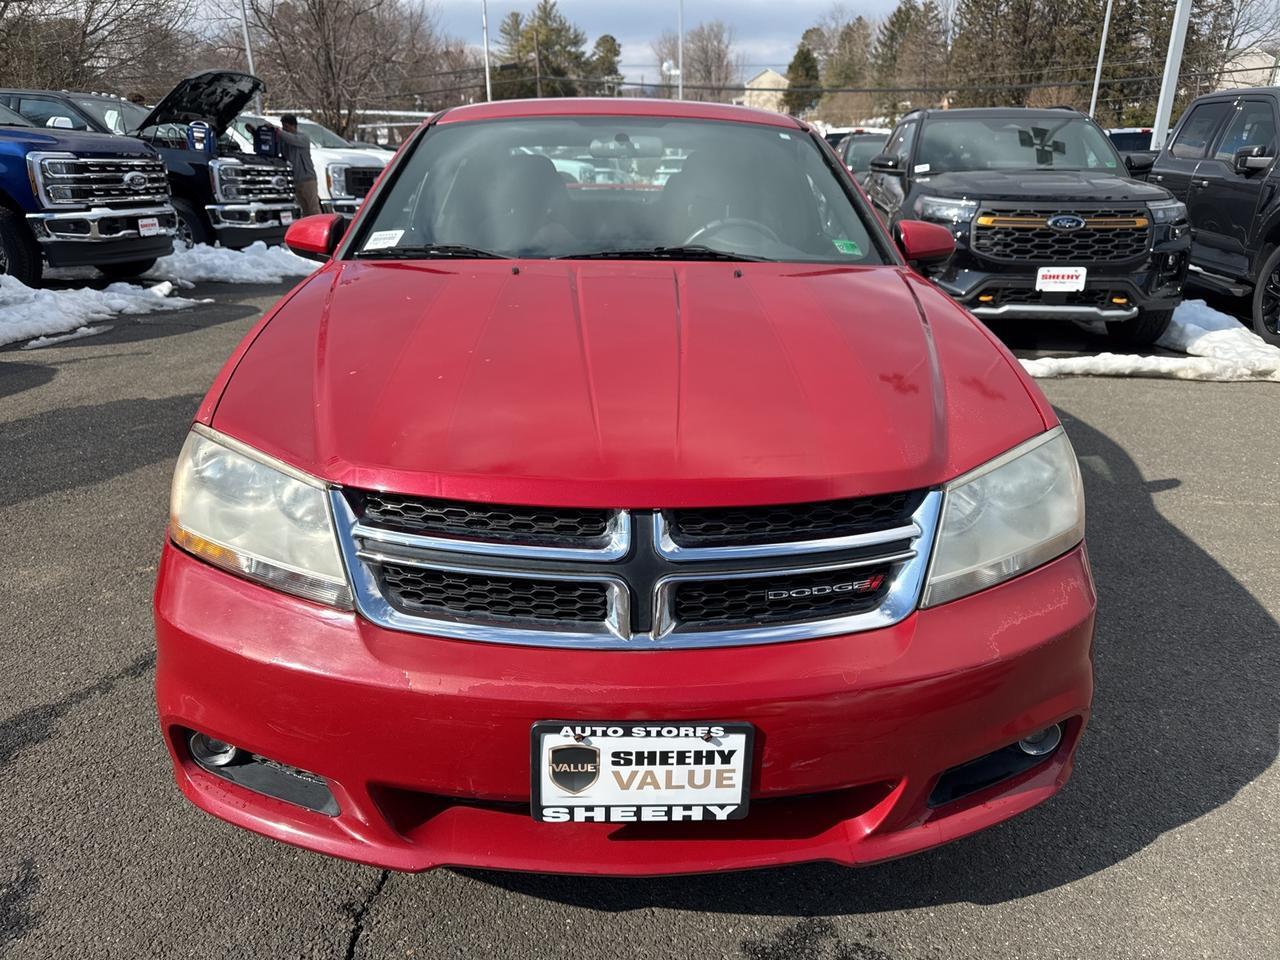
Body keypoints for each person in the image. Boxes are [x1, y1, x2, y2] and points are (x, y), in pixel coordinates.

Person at [277, 114, 320, 217]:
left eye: (286, 126)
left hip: (307, 179)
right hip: (295, 180)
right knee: (304, 210)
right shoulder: (285, 140)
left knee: (313, 208)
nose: (284, 129)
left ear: (293, 126)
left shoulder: (303, 137)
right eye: (283, 126)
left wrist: (278, 131)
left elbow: (292, 139)